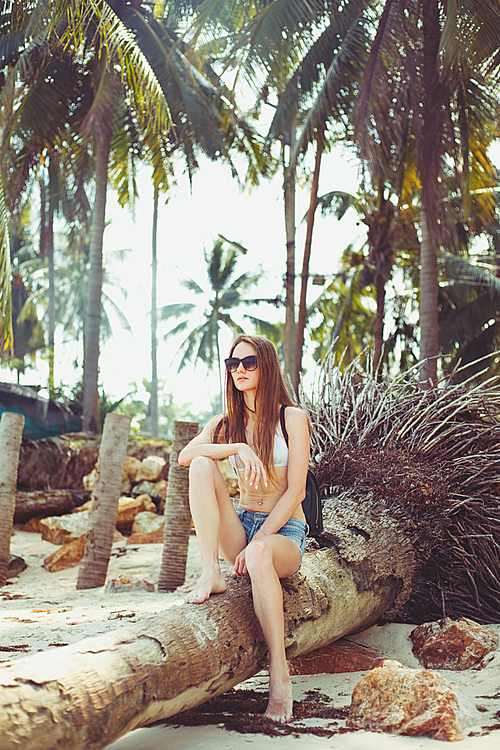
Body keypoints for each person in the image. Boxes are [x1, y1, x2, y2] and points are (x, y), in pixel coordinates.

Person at [178, 334, 310, 724]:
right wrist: (237, 448)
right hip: (242, 523)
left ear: (265, 366)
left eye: (248, 362)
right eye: (232, 363)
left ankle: (279, 677)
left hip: (284, 530)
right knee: (203, 465)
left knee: (259, 553)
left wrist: (262, 539)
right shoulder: (226, 422)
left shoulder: (293, 418)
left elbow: (297, 490)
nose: (238, 370)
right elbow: (187, 456)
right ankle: (210, 573)